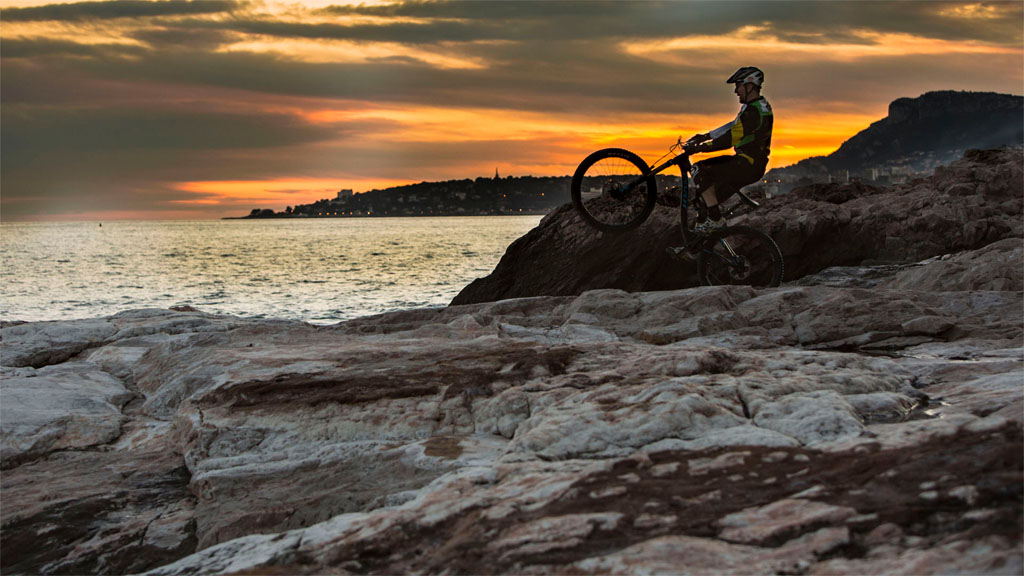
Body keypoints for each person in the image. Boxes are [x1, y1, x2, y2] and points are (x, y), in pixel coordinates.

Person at [684, 66, 773, 232]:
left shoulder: (754, 112)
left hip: (747, 164)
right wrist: (705, 136)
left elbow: (731, 137)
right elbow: (733, 126)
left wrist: (701, 148)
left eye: (738, 85)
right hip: (749, 164)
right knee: (704, 201)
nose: (736, 91)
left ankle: (716, 220)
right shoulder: (756, 106)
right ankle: (699, 248)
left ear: (749, 86)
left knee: (698, 169)